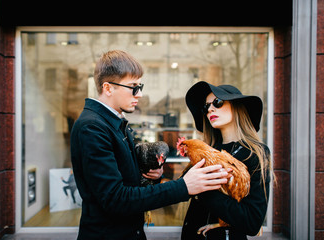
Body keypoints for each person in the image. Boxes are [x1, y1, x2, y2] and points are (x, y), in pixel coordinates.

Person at [70, 50, 231, 240]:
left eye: (140, 86)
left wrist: (150, 177)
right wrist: (184, 186)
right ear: (108, 88)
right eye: (133, 87)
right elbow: (115, 199)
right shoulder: (93, 127)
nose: (140, 94)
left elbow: (127, 183)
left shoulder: (114, 122)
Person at [181, 81, 274, 240]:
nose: (210, 109)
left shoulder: (255, 153)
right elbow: (182, 190)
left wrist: (203, 189)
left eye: (217, 103)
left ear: (237, 106)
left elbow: (252, 222)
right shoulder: (207, 150)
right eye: (206, 107)